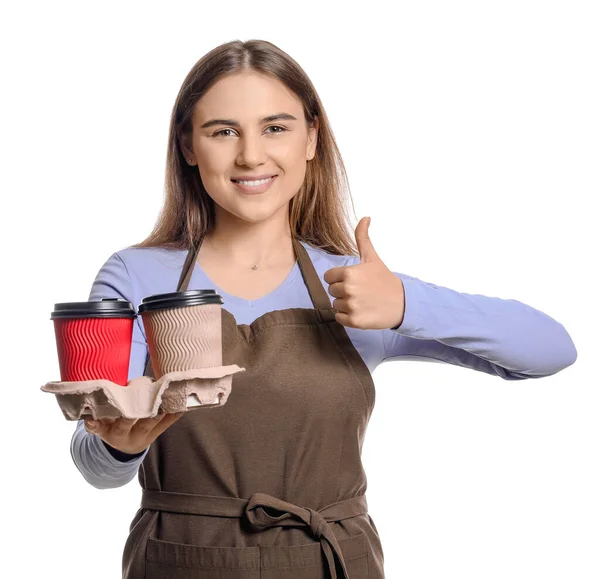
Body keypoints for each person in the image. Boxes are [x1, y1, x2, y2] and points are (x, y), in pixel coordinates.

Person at [71, 39, 577, 579]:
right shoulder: (136, 277)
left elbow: (550, 350)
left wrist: (407, 304)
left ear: (312, 138)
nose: (250, 155)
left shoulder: (357, 285)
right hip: (179, 561)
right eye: (223, 131)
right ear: (189, 147)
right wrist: (120, 449)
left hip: (331, 563)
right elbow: (94, 464)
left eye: (276, 127)